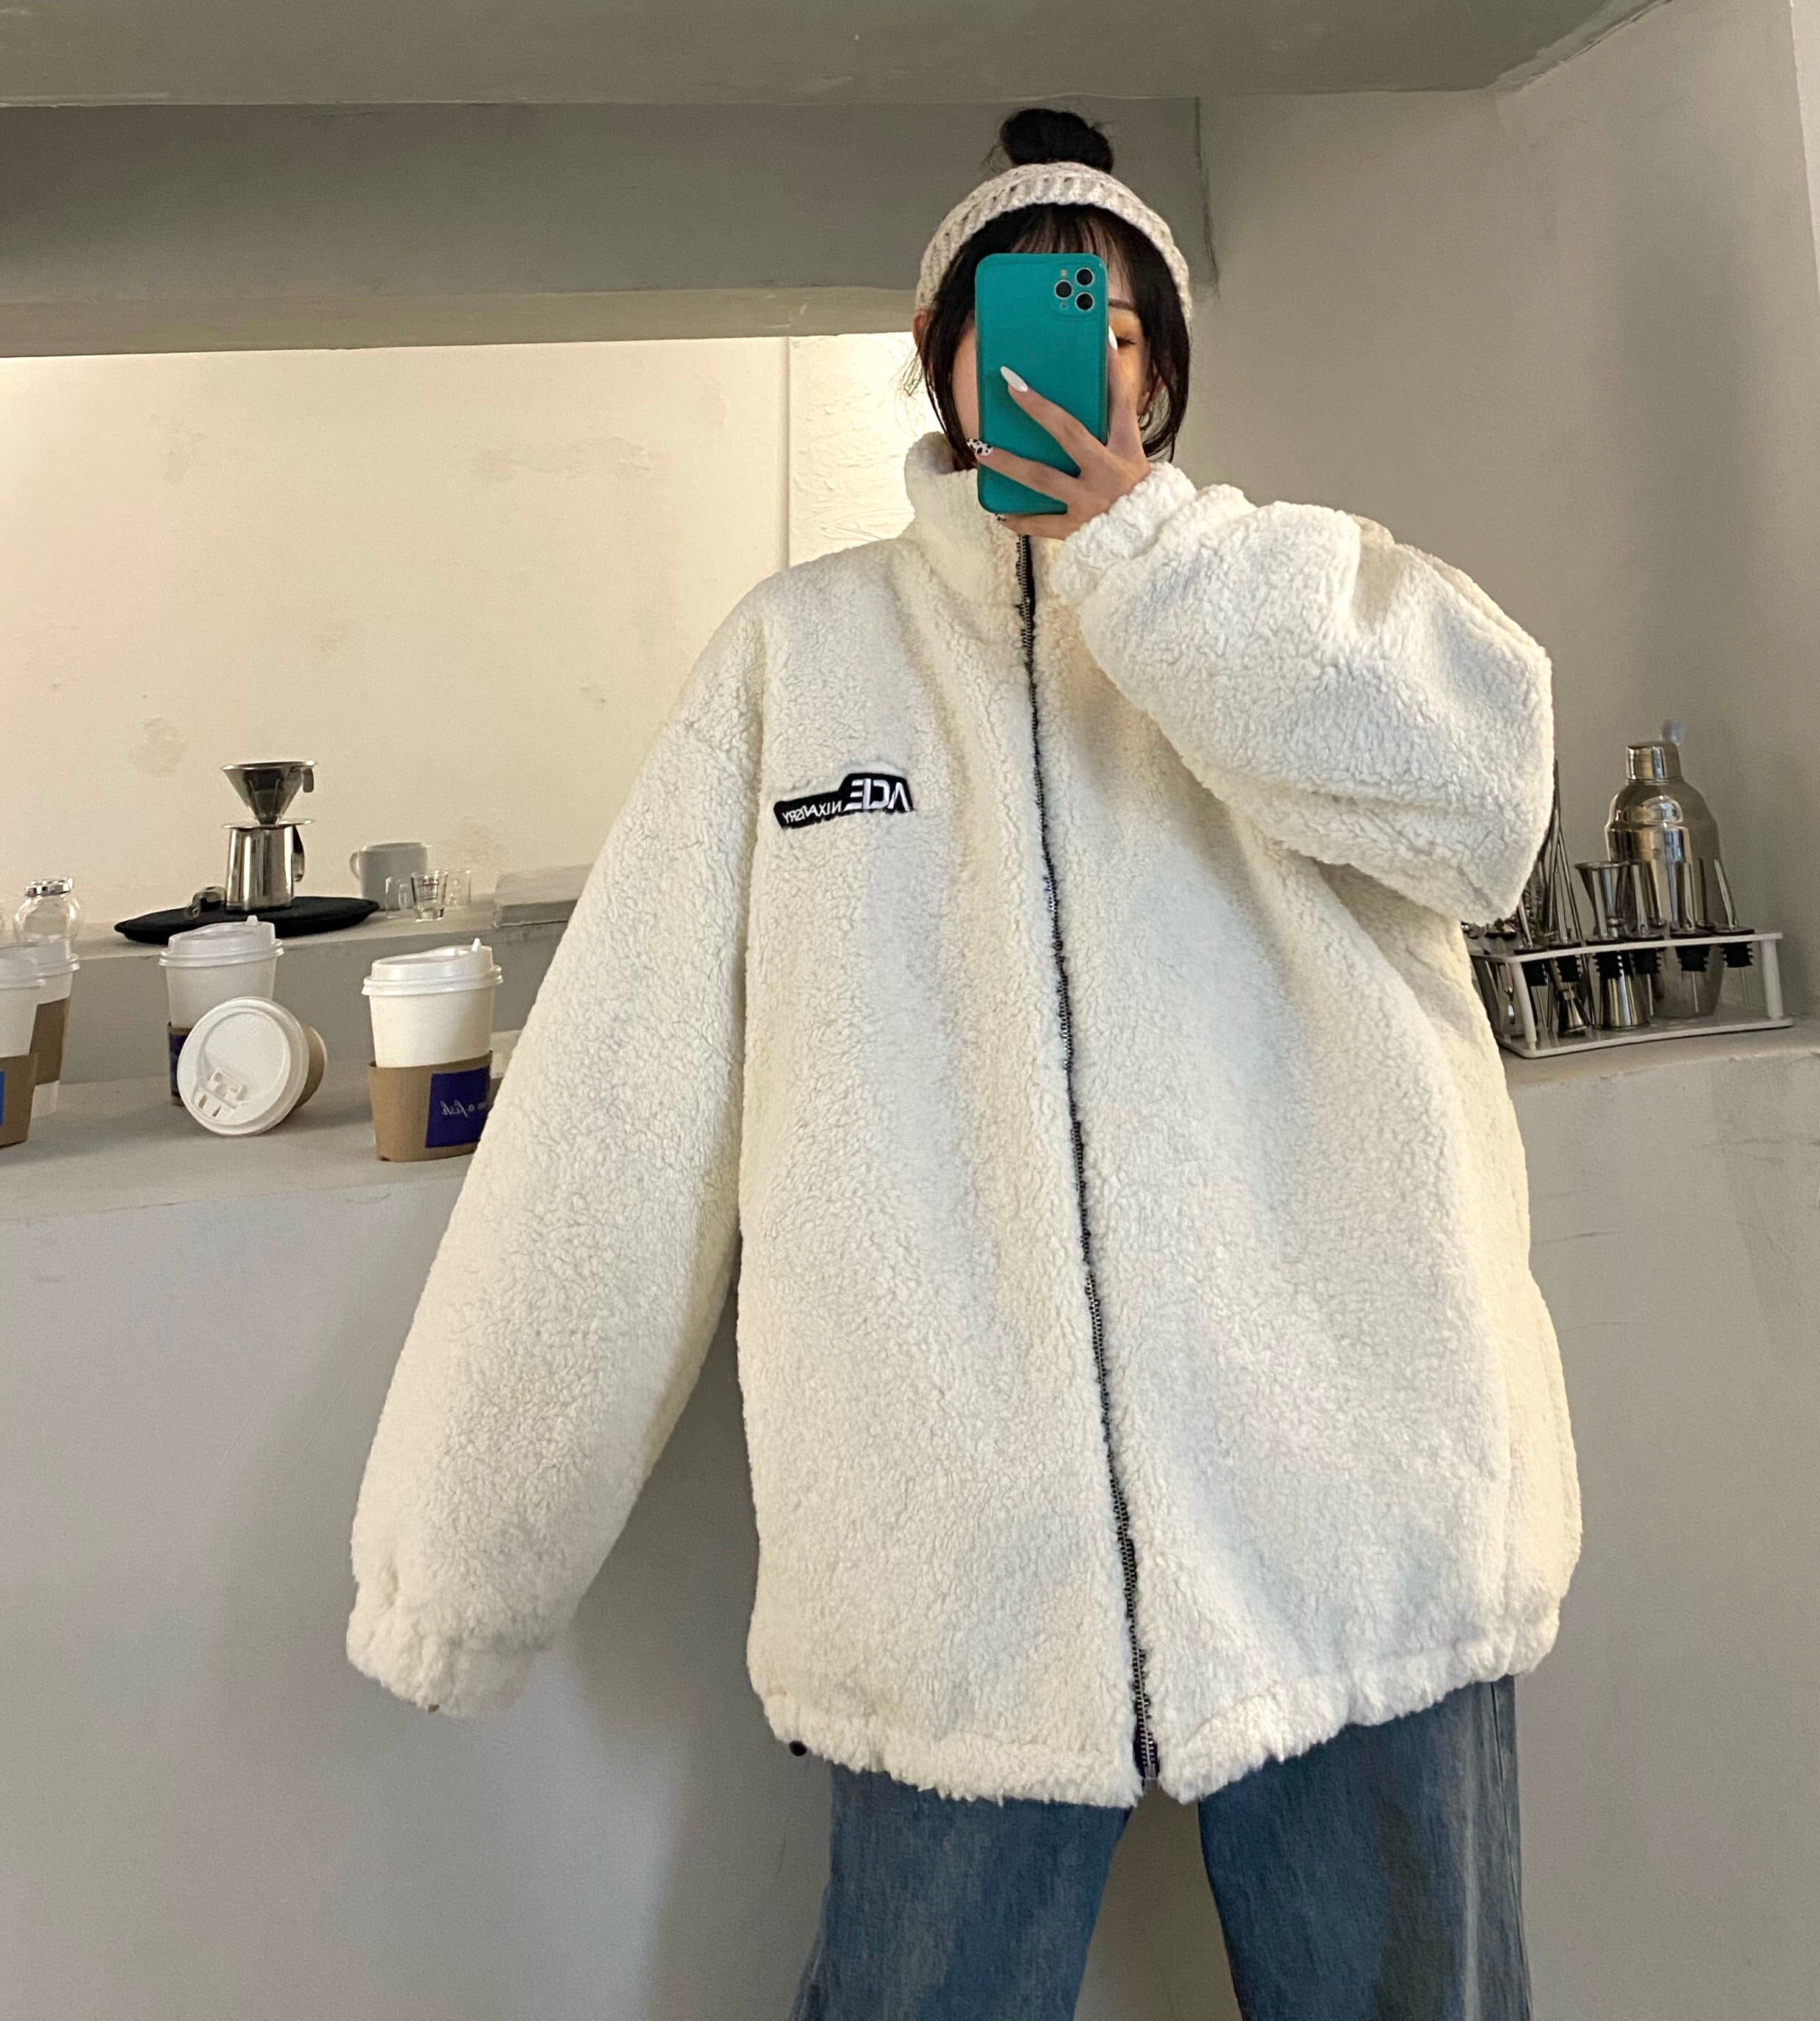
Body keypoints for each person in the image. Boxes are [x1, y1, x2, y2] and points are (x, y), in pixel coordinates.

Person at [346, 105, 1581, 2020]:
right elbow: (612, 1122)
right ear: (942, 363)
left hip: (1354, 1522)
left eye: (1118, 325)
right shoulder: (802, 662)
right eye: (1025, 322)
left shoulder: (1305, 599)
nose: (1080, 360)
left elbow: (1487, 801)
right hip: (951, 1578)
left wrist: (1148, 566)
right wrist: (460, 1565)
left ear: (1161, 369)